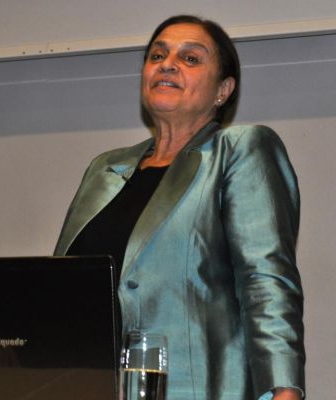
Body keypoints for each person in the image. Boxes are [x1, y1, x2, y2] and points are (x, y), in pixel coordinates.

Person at [54, 15, 305, 400]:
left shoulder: (240, 150)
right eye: (157, 56)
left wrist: (283, 387)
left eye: (190, 58)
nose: (167, 65)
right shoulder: (104, 169)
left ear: (223, 90)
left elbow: (265, 280)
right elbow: (62, 285)